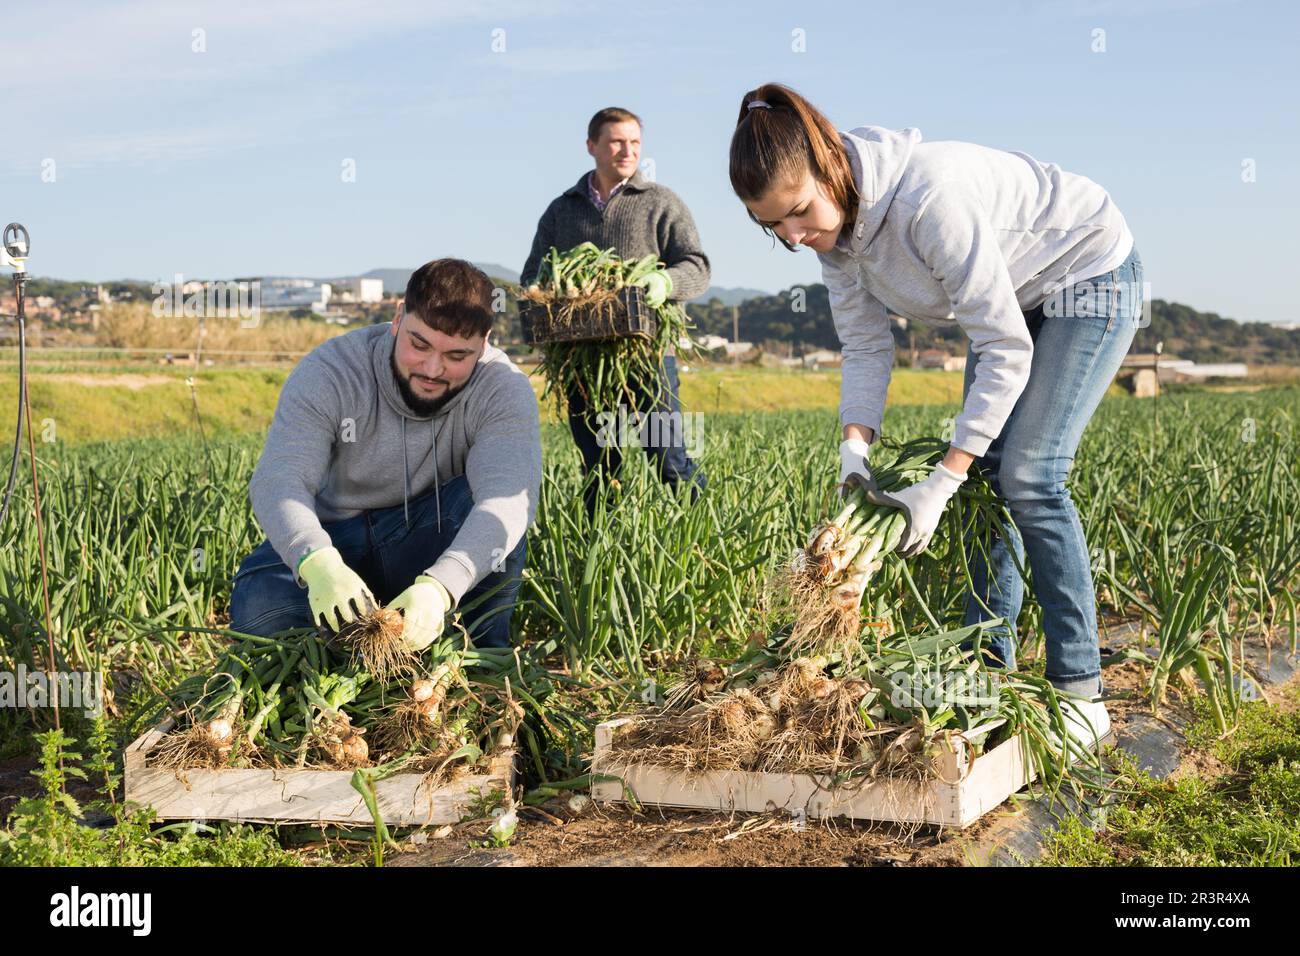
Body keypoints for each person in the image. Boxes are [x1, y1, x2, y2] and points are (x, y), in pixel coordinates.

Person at [729, 83, 1144, 746]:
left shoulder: (929, 199)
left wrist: (937, 485)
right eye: (774, 227)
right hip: (1016, 296)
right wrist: (854, 456)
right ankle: (989, 677)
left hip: (1084, 276)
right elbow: (866, 346)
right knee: (985, 483)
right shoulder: (832, 240)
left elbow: (1002, 345)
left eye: (801, 212)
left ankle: (1081, 694)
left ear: (831, 163)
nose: (796, 235)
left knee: (1030, 477)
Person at [230, 258, 542, 650]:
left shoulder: (501, 387)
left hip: (426, 538)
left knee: (493, 521)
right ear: (398, 319)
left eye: (456, 356)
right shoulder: (332, 371)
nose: (432, 369)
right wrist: (316, 561)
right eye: (419, 344)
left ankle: (471, 662)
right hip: (333, 538)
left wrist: (443, 585)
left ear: (484, 344)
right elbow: (280, 480)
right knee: (260, 614)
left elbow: (507, 501)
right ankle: (345, 659)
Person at [521, 106, 710, 518]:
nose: (628, 150)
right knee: (599, 467)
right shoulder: (562, 209)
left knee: (668, 458)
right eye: (616, 141)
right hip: (581, 360)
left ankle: (705, 535)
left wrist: (665, 284)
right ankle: (599, 550)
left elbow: (697, 265)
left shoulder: (660, 202)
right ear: (592, 146)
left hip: (647, 357)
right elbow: (532, 276)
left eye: (635, 142)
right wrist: (536, 312)